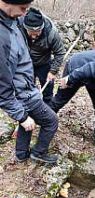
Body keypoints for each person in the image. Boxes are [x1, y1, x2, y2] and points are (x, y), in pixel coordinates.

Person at [0, 0, 58, 164]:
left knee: (27, 121)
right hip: (24, 94)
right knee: (51, 121)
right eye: (23, 9)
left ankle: (21, 154)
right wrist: (21, 115)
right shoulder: (2, 39)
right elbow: (2, 91)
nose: (24, 14)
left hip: (25, 88)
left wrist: (24, 117)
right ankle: (38, 153)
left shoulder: (11, 20)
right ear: (7, 3)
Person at [49, 48, 95, 150]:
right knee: (60, 100)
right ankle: (43, 118)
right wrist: (69, 79)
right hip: (76, 68)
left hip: (94, 78)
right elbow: (90, 68)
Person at [21, 7, 66, 103]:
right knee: (26, 90)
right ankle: (29, 109)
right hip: (26, 63)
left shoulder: (51, 32)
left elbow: (60, 52)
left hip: (44, 63)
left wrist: (53, 71)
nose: (33, 36)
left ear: (41, 28)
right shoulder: (19, 27)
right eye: (31, 33)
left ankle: (47, 110)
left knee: (48, 90)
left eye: (37, 33)